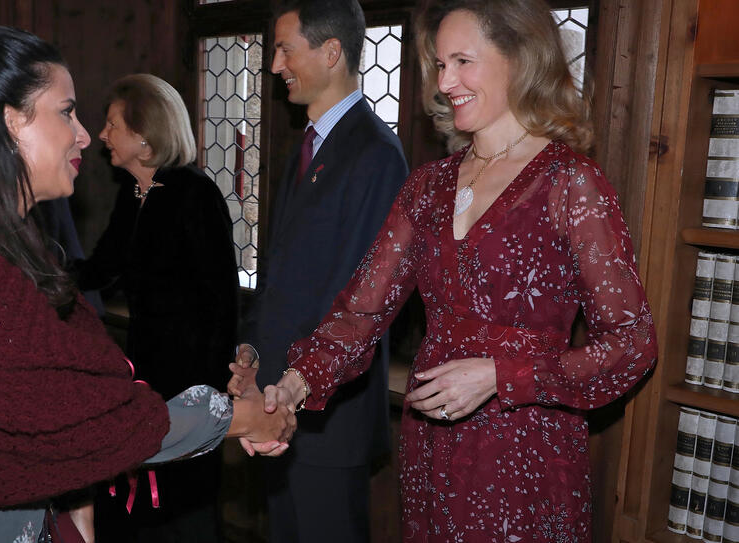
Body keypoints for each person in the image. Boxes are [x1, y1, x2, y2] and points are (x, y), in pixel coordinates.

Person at [236, 0, 659, 540]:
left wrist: (504, 377)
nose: (445, 81)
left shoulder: (569, 182)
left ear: (520, 60)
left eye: (463, 61)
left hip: (524, 449)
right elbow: (360, 314)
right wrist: (291, 387)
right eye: (439, 65)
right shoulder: (428, 186)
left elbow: (632, 341)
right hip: (431, 445)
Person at [0, 25, 291, 543]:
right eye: (66, 112)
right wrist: (241, 418)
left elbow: (42, 414)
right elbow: (76, 422)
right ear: (11, 121)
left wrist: (76, 494)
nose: (85, 134)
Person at [229, 1, 409, 541]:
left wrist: (290, 382)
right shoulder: (308, 145)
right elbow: (283, 276)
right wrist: (252, 356)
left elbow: (354, 299)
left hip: (329, 417)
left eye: (285, 49)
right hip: (279, 404)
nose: (274, 65)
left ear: (331, 53)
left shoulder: (376, 153)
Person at [76, 73, 238, 542]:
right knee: (145, 509)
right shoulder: (134, 194)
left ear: (144, 137)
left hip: (190, 381)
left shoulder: (193, 192)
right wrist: (32, 271)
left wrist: (210, 395)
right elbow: (100, 269)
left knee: (183, 511)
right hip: (146, 375)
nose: (102, 135)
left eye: (112, 125)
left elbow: (220, 301)